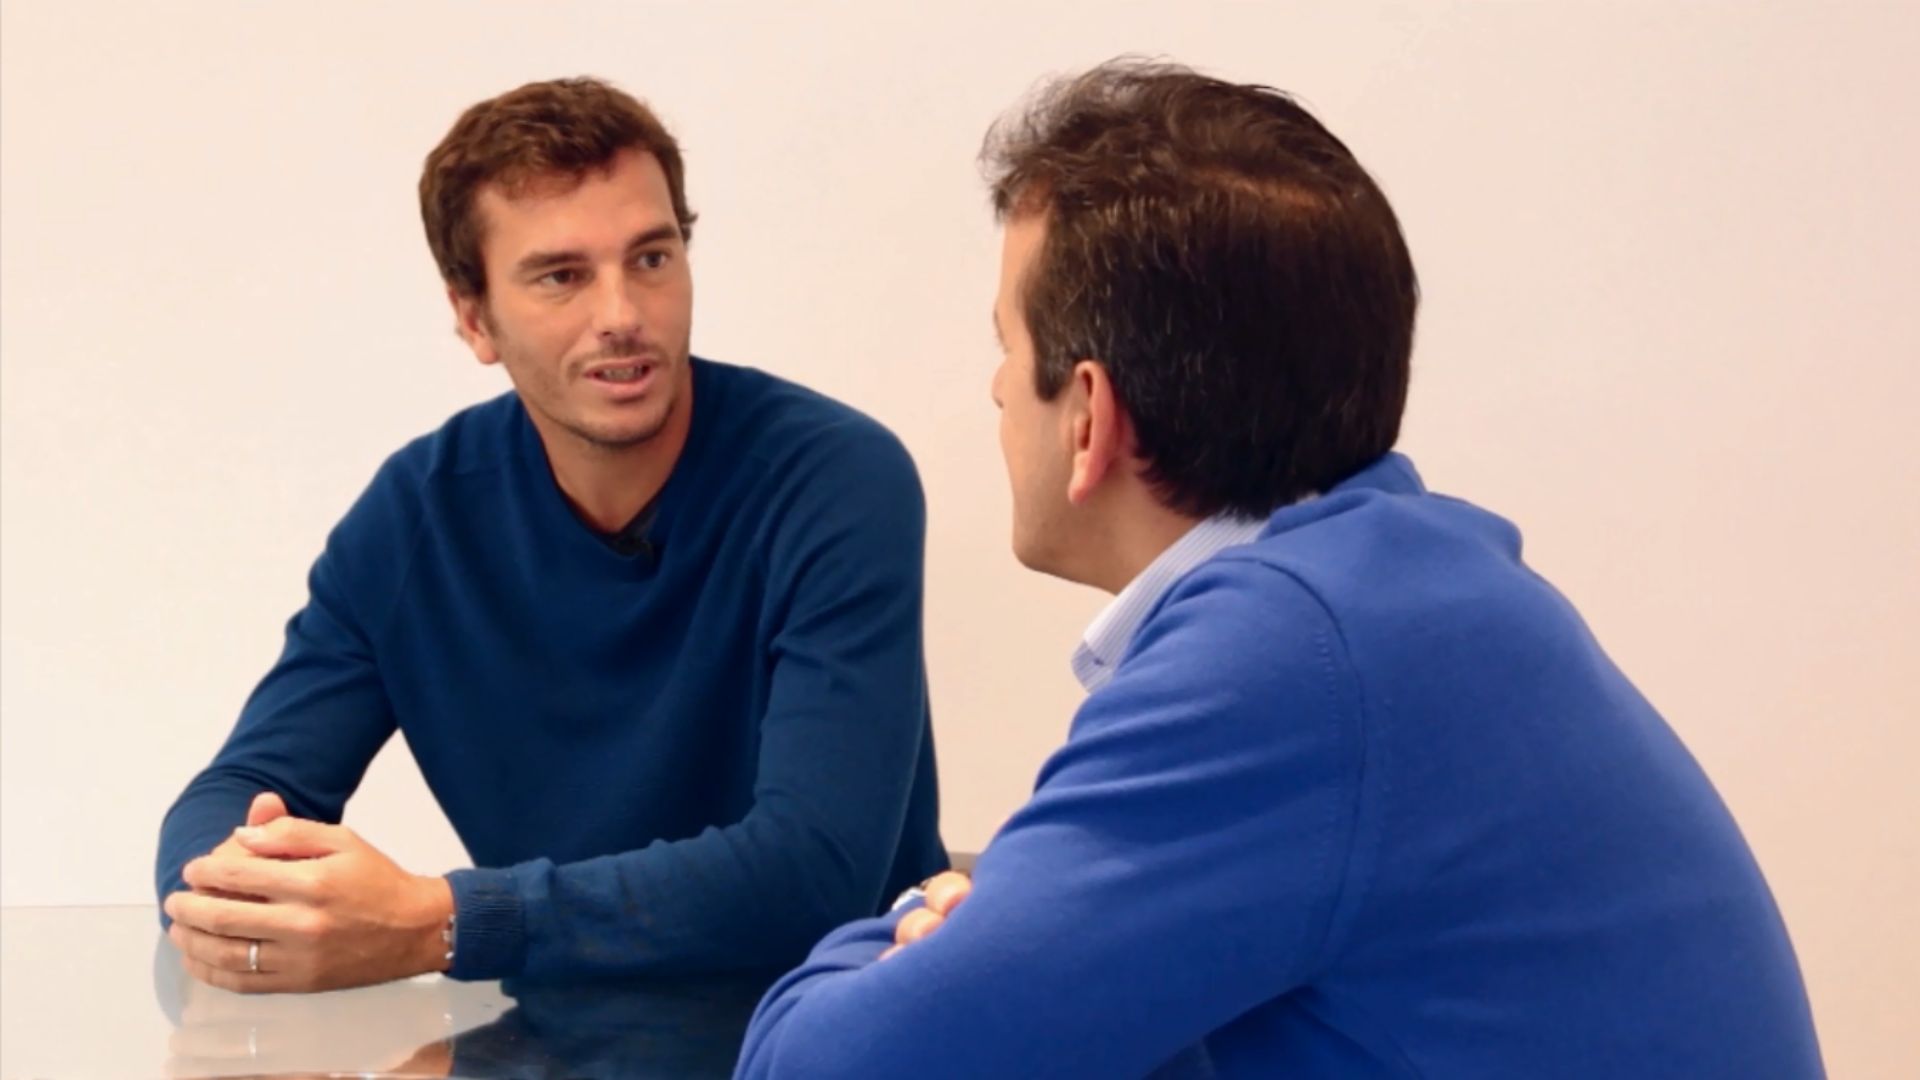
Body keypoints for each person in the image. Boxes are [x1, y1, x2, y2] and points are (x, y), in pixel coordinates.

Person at [734, 60, 1822, 1077]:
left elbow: (814, 1064)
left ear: (1091, 418)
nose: (994, 393)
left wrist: (915, 926)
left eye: (1008, 350)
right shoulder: (1402, 585)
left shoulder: (1291, 655)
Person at [155, 76, 946, 993]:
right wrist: (231, 901)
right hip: (556, 1038)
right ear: (472, 317)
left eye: (651, 258)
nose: (622, 314)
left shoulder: (835, 479)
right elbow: (243, 785)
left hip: (833, 1023)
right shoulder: (419, 517)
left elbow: (812, 867)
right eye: (562, 276)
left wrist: (443, 924)